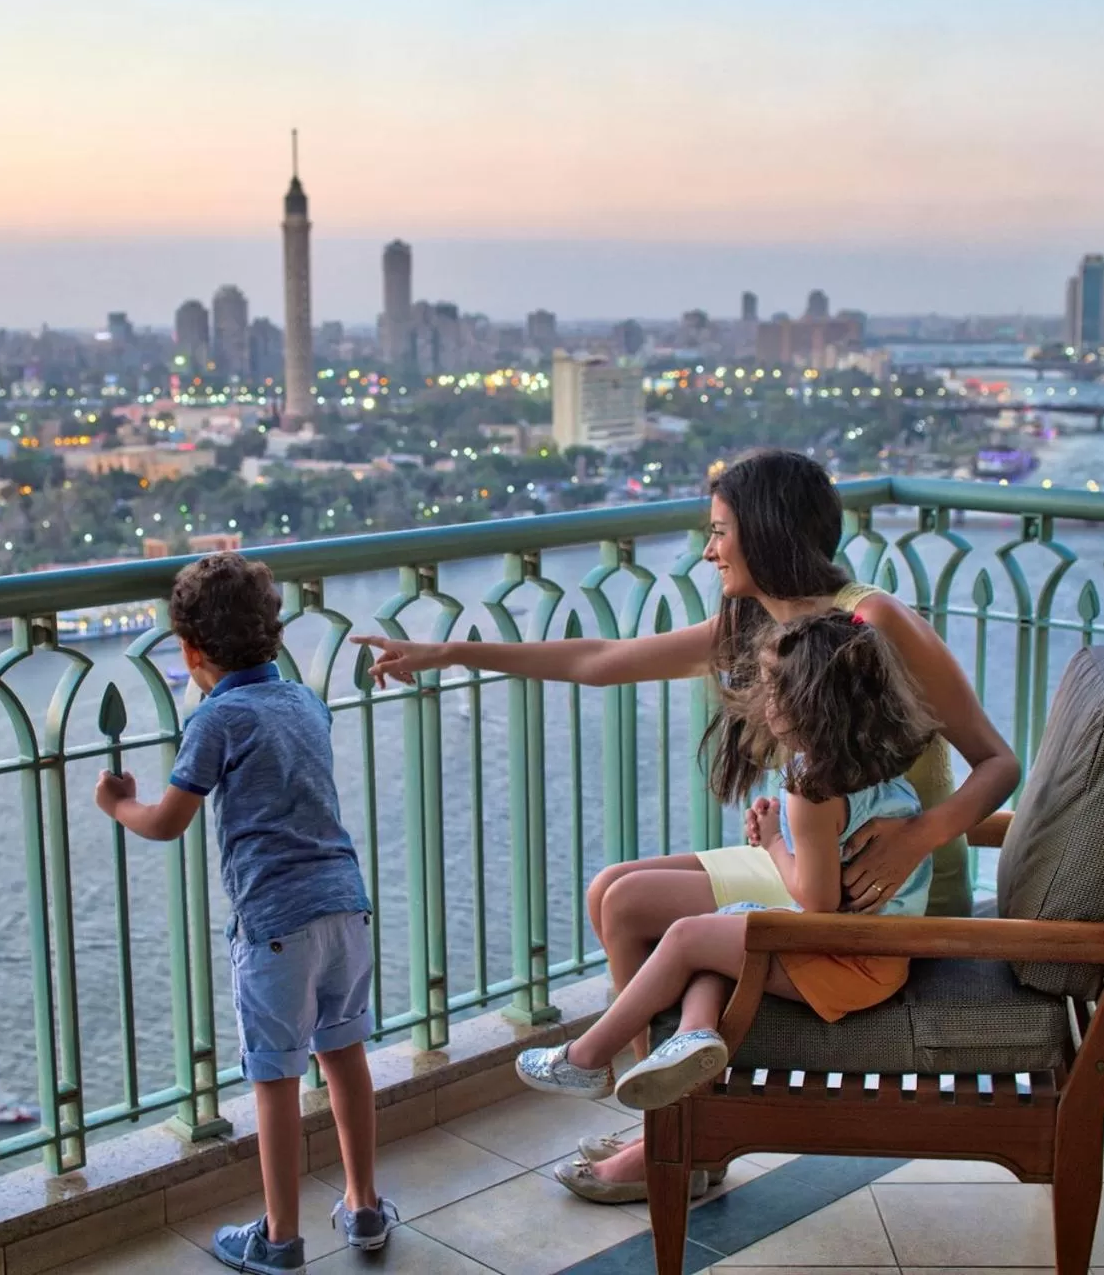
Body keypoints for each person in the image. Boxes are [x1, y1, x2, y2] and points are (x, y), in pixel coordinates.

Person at [352, 448, 1019, 1203]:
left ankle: (672, 1140)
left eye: (720, 531)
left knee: (631, 905)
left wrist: (918, 837)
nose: (709, 551)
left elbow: (998, 762)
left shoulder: (871, 621)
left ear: (766, 531)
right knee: (611, 889)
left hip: (892, 892)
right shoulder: (759, 625)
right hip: (818, 865)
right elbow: (601, 659)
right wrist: (450, 652)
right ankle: (673, 1121)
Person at [95, 553, 399, 1275]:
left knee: (275, 1079)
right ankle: (363, 1207)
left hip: (274, 923)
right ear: (275, 634)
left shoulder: (217, 719)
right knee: (345, 1053)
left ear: (191, 651)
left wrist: (117, 804)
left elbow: (168, 821)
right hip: (345, 905)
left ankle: (281, 1239)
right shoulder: (305, 702)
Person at [514, 611, 935, 1123]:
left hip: (846, 963)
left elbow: (818, 902)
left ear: (806, 704)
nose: (764, 702)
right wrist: (786, 836)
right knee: (718, 933)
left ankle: (586, 1058)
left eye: (773, 691)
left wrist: (775, 842)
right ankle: (693, 1033)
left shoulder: (813, 790)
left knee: (688, 936)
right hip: (877, 955)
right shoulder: (876, 766)